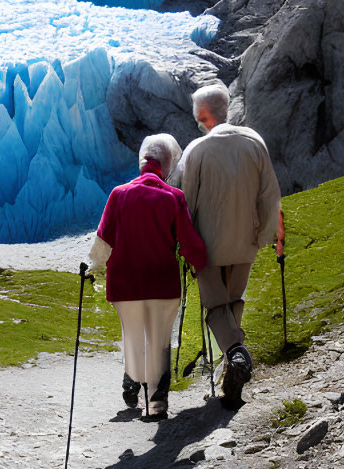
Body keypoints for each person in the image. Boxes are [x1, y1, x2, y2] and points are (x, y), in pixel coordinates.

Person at [173, 83, 281, 409]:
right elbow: (269, 196)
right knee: (234, 302)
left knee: (217, 308)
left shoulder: (197, 150)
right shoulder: (255, 142)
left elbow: (186, 204)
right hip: (245, 241)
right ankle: (229, 378)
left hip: (208, 247)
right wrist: (261, 238)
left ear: (204, 116)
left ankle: (236, 355)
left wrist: (185, 244)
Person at [90, 134, 208, 420]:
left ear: (142, 162)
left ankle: (132, 378)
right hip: (162, 283)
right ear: (167, 166)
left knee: (133, 334)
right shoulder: (173, 197)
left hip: (125, 284)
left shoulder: (119, 194)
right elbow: (190, 243)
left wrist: (92, 268)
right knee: (159, 340)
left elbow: (103, 240)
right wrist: (199, 264)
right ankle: (156, 404)